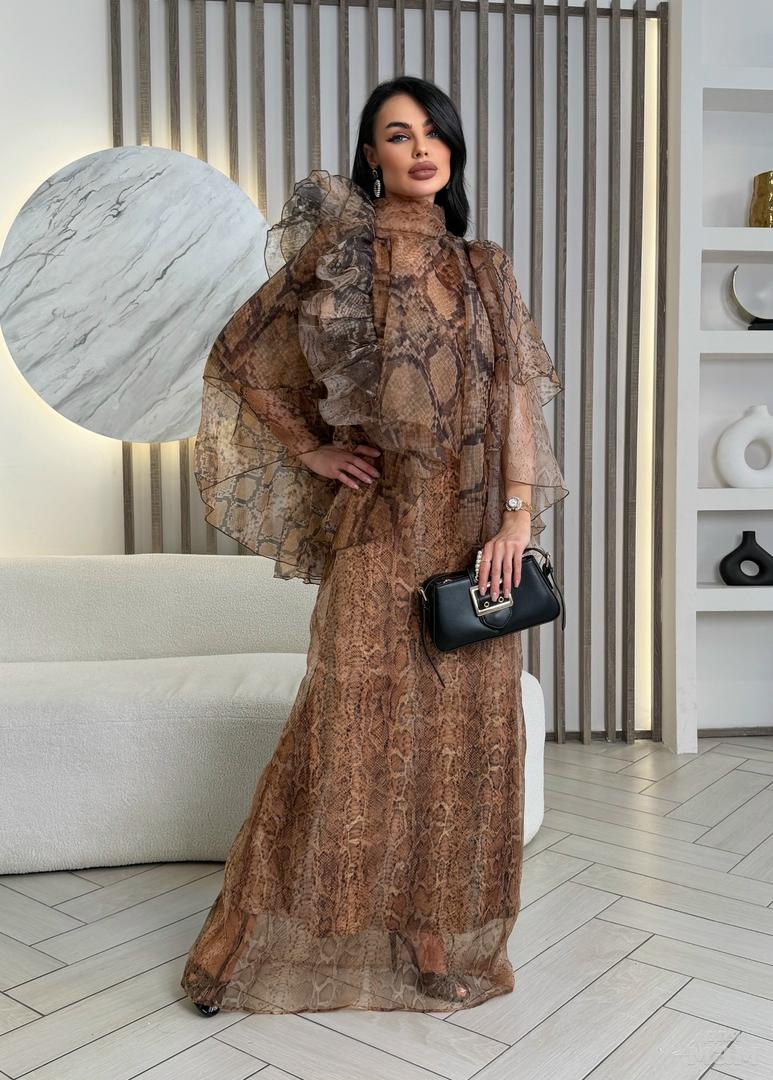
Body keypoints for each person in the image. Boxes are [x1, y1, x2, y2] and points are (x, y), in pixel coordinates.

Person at [180, 74, 568, 1016]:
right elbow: (239, 355)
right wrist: (310, 448)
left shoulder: (484, 268)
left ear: (452, 150)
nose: (420, 147)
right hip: (380, 532)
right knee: (340, 734)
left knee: (456, 747)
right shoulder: (339, 256)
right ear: (371, 155)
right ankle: (239, 950)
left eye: (434, 132)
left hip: (472, 540)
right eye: (398, 134)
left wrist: (517, 519)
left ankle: (429, 940)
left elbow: (515, 402)